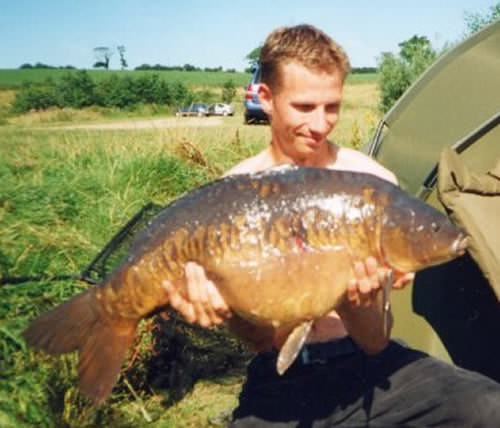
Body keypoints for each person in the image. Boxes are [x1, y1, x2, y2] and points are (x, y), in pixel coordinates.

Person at [163, 24, 500, 427]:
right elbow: (258, 341)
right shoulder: (234, 196)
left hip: (369, 366)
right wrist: (223, 309)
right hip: (281, 374)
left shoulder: (372, 184)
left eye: (332, 107)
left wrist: (355, 304)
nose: (320, 124)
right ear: (266, 99)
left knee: (486, 407)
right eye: (304, 107)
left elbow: (376, 341)